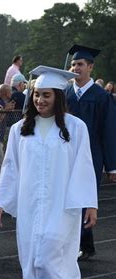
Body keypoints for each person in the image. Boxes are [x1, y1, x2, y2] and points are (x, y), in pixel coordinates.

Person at [0, 65, 98, 279]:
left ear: (58, 97)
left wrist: (90, 204)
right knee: (31, 262)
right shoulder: (20, 130)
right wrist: (1, 202)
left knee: (51, 258)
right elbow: (11, 167)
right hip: (30, 206)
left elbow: (84, 166)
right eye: (37, 94)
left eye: (46, 95)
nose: (40, 100)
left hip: (61, 205)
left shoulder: (75, 128)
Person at [64, 44, 116, 261]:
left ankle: (85, 243)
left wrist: (111, 165)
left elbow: (109, 131)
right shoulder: (65, 93)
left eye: (81, 64)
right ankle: (76, 243)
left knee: (84, 197)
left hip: (91, 155)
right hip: (65, 154)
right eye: (74, 64)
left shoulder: (101, 96)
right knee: (67, 197)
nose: (76, 68)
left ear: (90, 68)